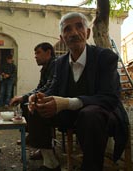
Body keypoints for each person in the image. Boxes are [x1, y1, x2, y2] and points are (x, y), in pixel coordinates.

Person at [28, 12, 129, 171]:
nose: (74, 33)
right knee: (36, 107)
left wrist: (68, 102)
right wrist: (40, 97)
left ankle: (91, 167)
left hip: (103, 114)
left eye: (79, 27)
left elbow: (110, 97)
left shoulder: (105, 57)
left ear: (87, 33)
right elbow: (54, 88)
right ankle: (50, 161)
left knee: (90, 114)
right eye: (67, 29)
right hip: (71, 114)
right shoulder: (60, 63)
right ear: (62, 38)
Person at [10, 42, 56, 160]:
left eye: (38, 53)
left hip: (56, 101)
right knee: (25, 104)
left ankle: (44, 148)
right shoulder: (45, 68)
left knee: (34, 108)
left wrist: (27, 97)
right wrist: (25, 97)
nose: (35, 56)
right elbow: (40, 87)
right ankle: (34, 138)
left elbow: (50, 87)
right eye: (35, 53)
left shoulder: (55, 65)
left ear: (48, 52)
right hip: (46, 98)